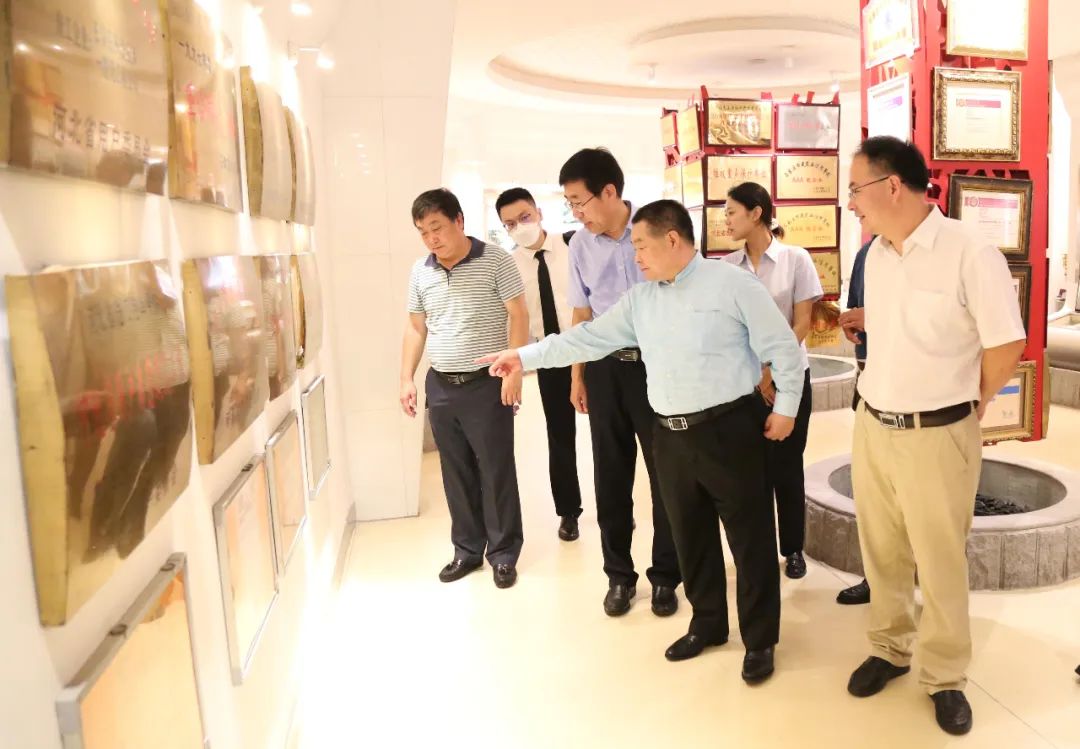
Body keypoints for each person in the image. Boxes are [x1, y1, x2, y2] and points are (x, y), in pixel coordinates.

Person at [479, 199, 805, 684]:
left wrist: (786, 408)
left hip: (729, 429)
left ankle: (759, 640)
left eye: (641, 246)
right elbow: (586, 338)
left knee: (750, 539)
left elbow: (782, 349)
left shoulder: (732, 284)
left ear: (672, 239)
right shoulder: (641, 300)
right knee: (690, 535)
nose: (635, 258)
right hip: (669, 434)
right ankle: (708, 623)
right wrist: (523, 357)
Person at [844, 137, 1025, 735]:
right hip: (874, 423)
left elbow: (1006, 342)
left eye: (856, 189)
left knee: (940, 560)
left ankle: (945, 675)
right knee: (883, 550)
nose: (851, 202)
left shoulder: (970, 251)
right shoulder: (875, 256)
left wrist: (972, 403)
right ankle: (890, 647)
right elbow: (910, 325)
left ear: (892, 186)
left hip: (937, 431)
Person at [558, 148, 681, 618]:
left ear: (609, 192)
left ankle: (666, 575)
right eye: (570, 203)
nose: (576, 212)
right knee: (610, 475)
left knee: (666, 473)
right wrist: (578, 374)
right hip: (606, 369)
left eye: (579, 201)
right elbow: (582, 312)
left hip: (658, 367)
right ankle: (618, 575)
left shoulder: (655, 229)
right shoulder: (579, 245)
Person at [399, 188, 529, 589]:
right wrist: (406, 377)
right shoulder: (421, 271)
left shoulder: (496, 260)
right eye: (423, 232)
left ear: (459, 220)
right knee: (454, 470)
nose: (431, 238)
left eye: (436, 227)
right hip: (441, 385)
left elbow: (519, 315)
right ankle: (467, 550)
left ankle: (503, 553)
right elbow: (415, 327)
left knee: (495, 468)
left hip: (486, 383)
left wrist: (514, 369)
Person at [722, 182, 823, 580]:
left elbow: (803, 322)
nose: (726, 220)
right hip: (744, 383)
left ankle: (793, 548)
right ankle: (759, 549)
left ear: (756, 213)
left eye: (732, 211)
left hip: (789, 377)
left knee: (787, 466)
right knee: (750, 470)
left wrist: (772, 370)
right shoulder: (727, 267)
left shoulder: (796, 259)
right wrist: (756, 374)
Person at [495, 187, 584, 542]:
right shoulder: (509, 265)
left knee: (608, 437)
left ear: (539, 212)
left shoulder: (574, 244)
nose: (519, 227)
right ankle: (568, 511)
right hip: (550, 356)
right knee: (559, 435)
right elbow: (514, 319)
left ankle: (616, 506)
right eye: (510, 224)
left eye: (524, 217)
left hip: (590, 348)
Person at [835, 237, 874, 606]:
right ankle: (876, 576)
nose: (853, 210)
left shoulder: (948, 249)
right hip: (870, 379)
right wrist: (850, 322)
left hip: (921, 399)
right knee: (874, 491)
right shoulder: (866, 253)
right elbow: (855, 308)